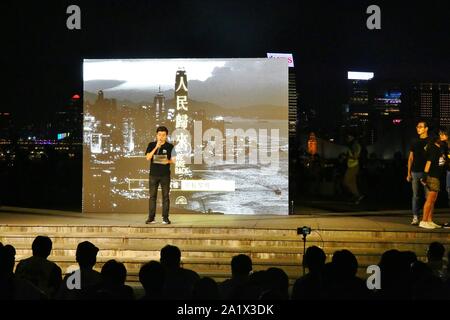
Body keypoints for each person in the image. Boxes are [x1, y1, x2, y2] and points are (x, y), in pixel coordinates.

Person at [145, 126, 176, 225]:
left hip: (165, 175)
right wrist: (156, 147)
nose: (161, 137)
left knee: (165, 197)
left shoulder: (170, 146)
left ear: (166, 136)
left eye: (163, 135)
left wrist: (168, 161)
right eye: (159, 135)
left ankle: (165, 218)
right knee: (152, 197)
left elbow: (174, 160)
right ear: (156, 135)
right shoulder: (151, 144)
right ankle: (151, 218)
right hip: (153, 175)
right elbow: (148, 157)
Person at [419, 135, 445, 229]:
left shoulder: (439, 148)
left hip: (436, 177)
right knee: (430, 200)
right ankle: (424, 220)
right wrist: (424, 177)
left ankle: (429, 220)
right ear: (436, 139)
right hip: (432, 177)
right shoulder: (434, 149)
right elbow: (428, 162)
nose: (442, 137)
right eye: (440, 136)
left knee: (433, 200)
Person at [407, 121, 430, 225]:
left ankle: (427, 218)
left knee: (428, 196)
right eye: (417, 127)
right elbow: (411, 158)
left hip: (427, 172)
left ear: (426, 128)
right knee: (415, 195)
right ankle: (415, 216)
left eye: (420, 127)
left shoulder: (431, 140)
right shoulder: (414, 141)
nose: (418, 128)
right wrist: (408, 173)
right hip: (415, 172)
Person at [343, 133, 364, 204]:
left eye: (349, 137)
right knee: (352, 182)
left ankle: (357, 195)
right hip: (352, 166)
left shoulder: (355, 145)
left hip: (354, 166)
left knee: (346, 181)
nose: (348, 138)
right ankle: (357, 196)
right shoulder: (353, 145)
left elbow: (355, 157)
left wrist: (346, 157)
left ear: (353, 137)